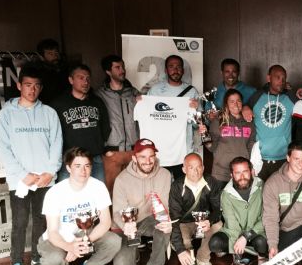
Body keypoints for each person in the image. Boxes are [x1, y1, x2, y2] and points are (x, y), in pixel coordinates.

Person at [0, 63, 63, 265]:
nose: (32, 90)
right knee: (20, 222)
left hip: (45, 179)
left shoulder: (49, 113)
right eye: (27, 85)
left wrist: (50, 172)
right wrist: (22, 174)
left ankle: (36, 258)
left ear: (40, 88)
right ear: (19, 86)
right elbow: (3, 148)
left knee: (41, 221)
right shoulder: (6, 114)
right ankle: (16, 264)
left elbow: (57, 144)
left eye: (36, 85)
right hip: (20, 181)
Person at [37, 147, 122, 265]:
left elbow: (105, 222)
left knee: (114, 241)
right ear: (69, 168)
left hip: (85, 233)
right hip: (59, 237)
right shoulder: (55, 193)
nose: (83, 171)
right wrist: (69, 247)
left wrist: (83, 244)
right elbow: (53, 232)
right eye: (78, 166)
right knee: (54, 258)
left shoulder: (98, 186)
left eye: (87, 166)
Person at [111, 139, 173, 265]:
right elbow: (117, 212)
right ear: (134, 158)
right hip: (127, 227)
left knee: (164, 225)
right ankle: (134, 250)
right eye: (143, 157)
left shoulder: (165, 174)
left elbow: (165, 206)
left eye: (151, 156)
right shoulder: (121, 179)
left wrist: (167, 221)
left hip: (150, 220)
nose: (148, 161)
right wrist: (125, 226)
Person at [209, 157, 267, 265]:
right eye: (237, 173)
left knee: (261, 242)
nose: (242, 176)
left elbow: (266, 217)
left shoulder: (262, 186)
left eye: (245, 171)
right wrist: (238, 262)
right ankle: (242, 260)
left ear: (252, 171)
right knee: (215, 243)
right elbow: (232, 227)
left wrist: (246, 236)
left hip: (257, 231)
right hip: (235, 233)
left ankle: (262, 260)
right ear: (232, 175)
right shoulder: (226, 194)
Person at [51, 64, 110, 183]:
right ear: (71, 80)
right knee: (68, 193)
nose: (85, 82)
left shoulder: (97, 102)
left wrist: (99, 145)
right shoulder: (58, 104)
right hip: (70, 159)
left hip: (95, 158)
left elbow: (105, 127)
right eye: (81, 78)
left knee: (98, 192)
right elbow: (53, 133)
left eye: (88, 78)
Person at [169, 153, 223, 265]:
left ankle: (203, 258)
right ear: (184, 169)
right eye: (191, 167)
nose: (196, 171)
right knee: (185, 246)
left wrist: (209, 221)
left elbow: (217, 209)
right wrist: (180, 249)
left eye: (198, 167)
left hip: (203, 221)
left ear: (203, 168)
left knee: (218, 226)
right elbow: (174, 218)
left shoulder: (211, 182)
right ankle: (183, 247)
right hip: (184, 223)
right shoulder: (177, 186)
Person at [146, 55, 200, 178]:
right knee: (160, 186)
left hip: (183, 151)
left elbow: (198, 124)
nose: (175, 70)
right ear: (166, 70)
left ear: (183, 70)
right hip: (161, 150)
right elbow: (147, 117)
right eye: (171, 67)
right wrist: (141, 102)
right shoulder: (155, 91)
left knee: (182, 186)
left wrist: (196, 110)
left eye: (178, 67)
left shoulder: (191, 92)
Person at [96, 54, 140, 194]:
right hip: (112, 152)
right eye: (117, 67)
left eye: (123, 67)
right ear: (108, 71)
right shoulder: (99, 95)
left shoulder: (134, 93)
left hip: (133, 150)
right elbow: (95, 124)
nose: (122, 70)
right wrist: (104, 149)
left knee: (134, 191)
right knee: (112, 191)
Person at [247, 65, 297, 181]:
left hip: (283, 157)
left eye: (284, 78)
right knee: (260, 191)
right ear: (269, 78)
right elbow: (243, 108)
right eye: (277, 77)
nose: (281, 81)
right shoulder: (257, 96)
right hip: (260, 158)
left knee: (282, 191)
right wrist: (245, 107)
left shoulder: (291, 97)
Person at [200, 88, 255, 184]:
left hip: (241, 173)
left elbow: (251, 145)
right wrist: (204, 135)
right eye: (232, 102)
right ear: (226, 104)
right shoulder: (218, 121)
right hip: (221, 173)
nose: (236, 104)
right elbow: (212, 147)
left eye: (238, 101)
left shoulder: (249, 122)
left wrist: (249, 166)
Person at [36, 38, 70, 105]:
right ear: (41, 57)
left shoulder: (66, 69)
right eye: (50, 53)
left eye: (56, 52)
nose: (55, 56)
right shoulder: (38, 73)